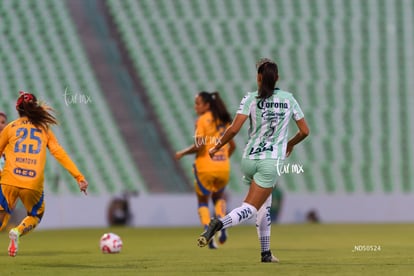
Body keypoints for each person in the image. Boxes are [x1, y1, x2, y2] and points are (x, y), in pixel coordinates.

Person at [197, 58, 309, 263]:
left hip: (249, 159)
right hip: (270, 162)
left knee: (264, 205)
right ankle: (219, 224)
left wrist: (216, 147)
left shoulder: (250, 99)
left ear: (258, 78)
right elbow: (304, 131)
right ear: (277, 78)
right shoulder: (288, 99)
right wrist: (290, 144)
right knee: (251, 207)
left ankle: (266, 253)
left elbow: (233, 129)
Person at [0, 91, 89, 257]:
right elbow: (59, 153)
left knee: (1, 214)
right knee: (36, 215)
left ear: (18, 110)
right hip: (32, 183)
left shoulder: (10, 127)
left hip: (9, 179)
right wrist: (79, 177)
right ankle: (18, 232)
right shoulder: (44, 129)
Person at [176, 91, 236, 249]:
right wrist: (223, 159)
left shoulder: (202, 120)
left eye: (198, 103)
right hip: (223, 167)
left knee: (203, 201)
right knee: (218, 198)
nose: (195, 107)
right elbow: (233, 146)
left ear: (207, 105)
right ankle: (222, 226)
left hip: (205, 167)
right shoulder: (223, 120)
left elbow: (199, 145)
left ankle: (208, 234)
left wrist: (183, 153)